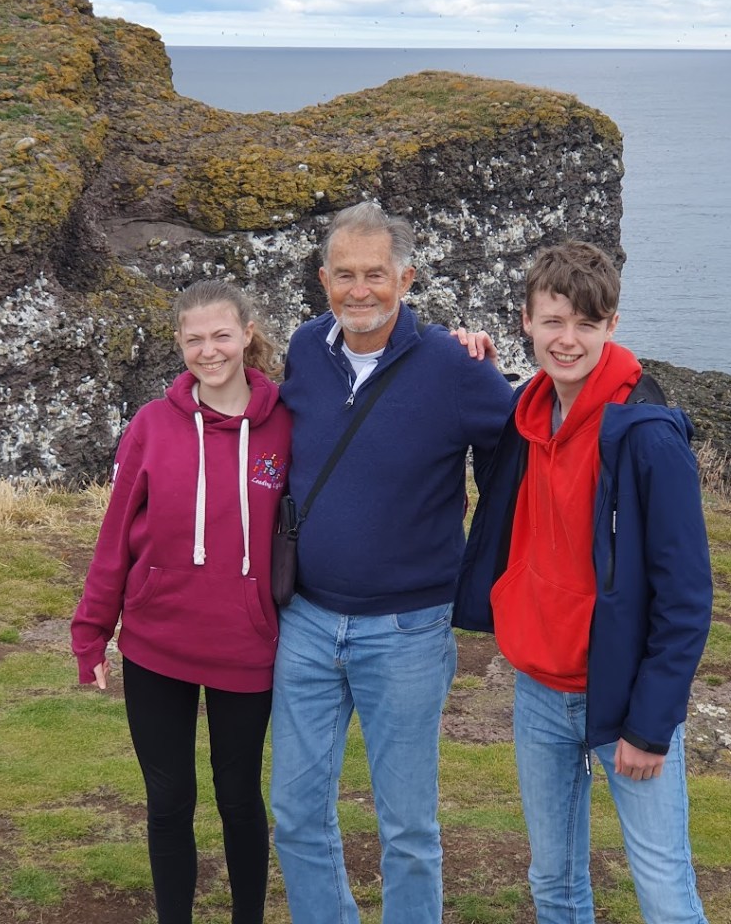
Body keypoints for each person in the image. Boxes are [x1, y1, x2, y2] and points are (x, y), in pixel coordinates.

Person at [269, 200, 513, 924]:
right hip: (306, 624)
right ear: (322, 279)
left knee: (408, 830)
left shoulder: (455, 367)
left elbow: (524, 455)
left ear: (406, 278)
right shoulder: (305, 351)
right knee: (295, 814)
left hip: (407, 631)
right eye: (344, 274)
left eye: (376, 273)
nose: (360, 289)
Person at [456, 240, 713, 924]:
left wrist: (650, 727)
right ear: (526, 322)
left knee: (663, 891)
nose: (568, 340)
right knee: (554, 884)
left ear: (612, 326)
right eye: (553, 322)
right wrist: (463, 359)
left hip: (623, 696)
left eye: (586, 325)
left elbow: (687, 598)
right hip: (539, 689)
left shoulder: (649, 436)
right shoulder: (528, 412)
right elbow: (482, 457)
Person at [70, 280, 292, 924]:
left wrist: (455, 346)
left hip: (246, 646)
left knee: (239, 798)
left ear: (248, 334)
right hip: (156, 643)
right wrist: (91, 634)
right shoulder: (152, 424)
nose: (209, 350)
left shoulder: (286, 421)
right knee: (168, 800)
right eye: (194, 338)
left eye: (221, 335)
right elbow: (115, 536)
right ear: (179, 343)